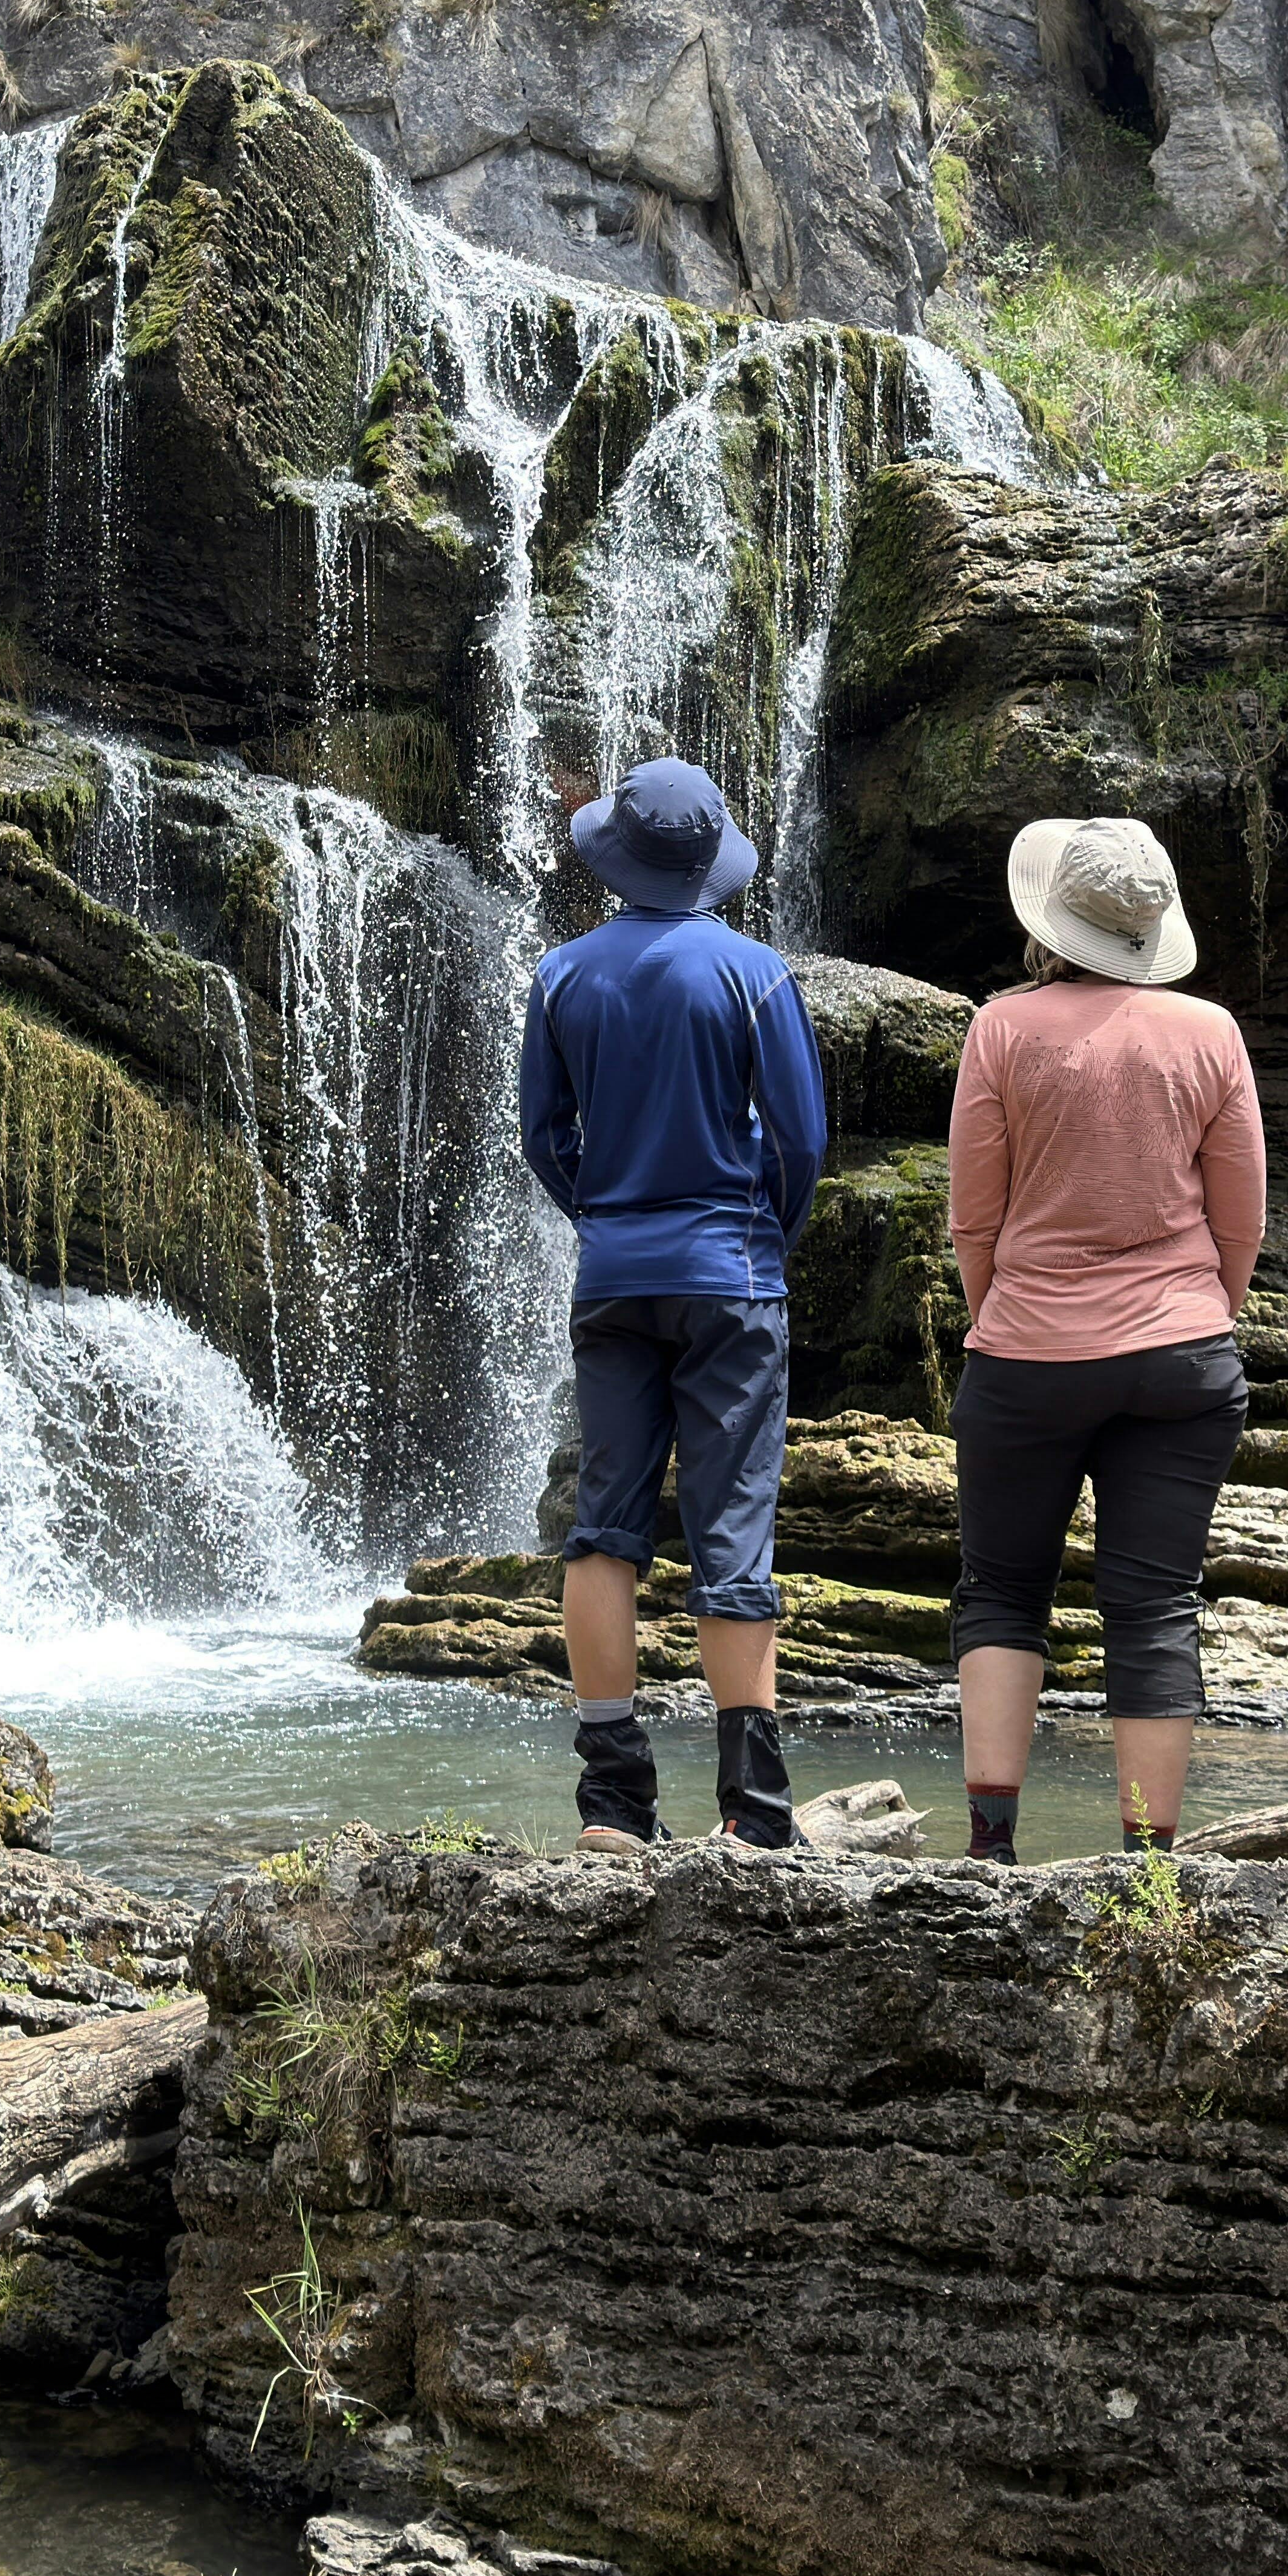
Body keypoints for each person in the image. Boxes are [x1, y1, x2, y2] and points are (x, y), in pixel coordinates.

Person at [517, 755, 830, 1852]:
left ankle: (611, 1803)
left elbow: (542, 1142)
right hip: (731, 1275)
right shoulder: (755, 974)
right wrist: (761, 1232)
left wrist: (604, 1215)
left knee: (604, 1526)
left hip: (613, 1274)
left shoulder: (560, 975)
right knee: (732, 1528)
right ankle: (752, 1812)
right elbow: (800, 1140)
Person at [944, 818, 1267, 1861]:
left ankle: (992, 1851)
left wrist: (1000, 1311)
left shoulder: (1000, 1028)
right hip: (1181, 1356)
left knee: (1001, 1590)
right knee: (1157, 1605)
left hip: (1027, 1350)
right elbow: (1242, 1220)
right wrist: (1203, 1312)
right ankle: (1149, 1867)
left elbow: (974, 1216)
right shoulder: (1212, 1032)